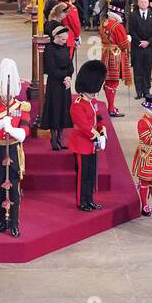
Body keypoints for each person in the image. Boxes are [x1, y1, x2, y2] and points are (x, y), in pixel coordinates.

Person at [0, 58, 30, 237]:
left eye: (8, 94)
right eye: (3, 93)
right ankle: (3, 221)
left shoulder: (21, 107)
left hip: (13, 150)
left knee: (15, 189)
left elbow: (24, 132)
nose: (6, 97)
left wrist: (12, 129)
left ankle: (15, 223)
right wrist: (2, 122)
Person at [69, 59, 107, 211]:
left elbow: (99, 118)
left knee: (91, 175)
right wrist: (97, 136)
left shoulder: (93, 102)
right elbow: (85, 126)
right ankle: (81, 201)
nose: (94, 93)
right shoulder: (77, 104)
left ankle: (89, 200)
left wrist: (103, 131)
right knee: (82, 176)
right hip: (81, 144)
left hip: (92, 145)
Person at [40, 21, 74, 151]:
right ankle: (53, 137)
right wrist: (64, 77)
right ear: (56, 37)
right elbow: (52, 69)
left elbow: (70, 66)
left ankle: (61, 136)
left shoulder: (65, 48)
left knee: (64, 109)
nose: (65, 41)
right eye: (63, 39)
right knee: (55, 109)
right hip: (54, 83)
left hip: (65, 83)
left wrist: (68, 77)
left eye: (66, 39)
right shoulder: (50, 49)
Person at [99, 7, 130, 116]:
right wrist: (129, 40)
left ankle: (111, 106)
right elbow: (123, 44)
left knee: (108, 81)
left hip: (105, 53)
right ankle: (111, 108)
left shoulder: (103, 23)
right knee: (113, 82)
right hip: (115, 55)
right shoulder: (117, 26)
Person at [129, 0, 152, 98]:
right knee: (137, 70)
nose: (143, 4)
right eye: (141, 2)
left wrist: (148, 42)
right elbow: (131, 31)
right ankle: (139, 91)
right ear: (138, 3)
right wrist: (140, 42)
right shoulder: (133, 15)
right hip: (137, 47)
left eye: (145, 2)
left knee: (147, 70)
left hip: (149, 47)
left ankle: (146, 90)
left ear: (148, 3)